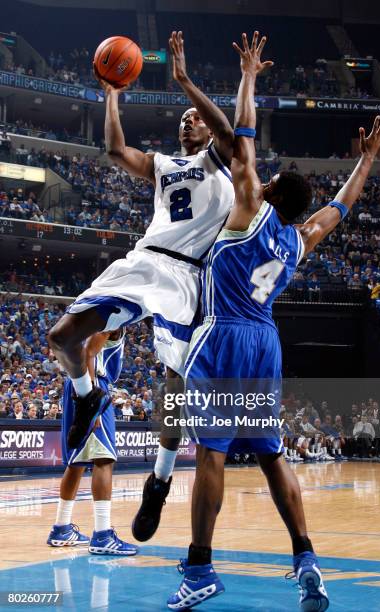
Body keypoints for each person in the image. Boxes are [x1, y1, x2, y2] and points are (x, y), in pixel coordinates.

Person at [167, 31, 380, 611]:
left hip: (223, 333)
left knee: (210, 455)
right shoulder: (298, 240)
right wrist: (364, 161)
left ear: (268, 190)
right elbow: (337, 210)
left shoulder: (248, 207)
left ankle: (200, 568)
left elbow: (238, 134)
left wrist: (247, 77)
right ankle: (306, 557)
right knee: (273, 455)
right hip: (267, 341)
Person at [48, 30, 234, 536]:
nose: (187, 121)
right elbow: (114, 149)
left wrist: (184, 80)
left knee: (174, 385)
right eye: (182, 118)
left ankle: (160, 479)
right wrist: (111, 95)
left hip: (189, 277)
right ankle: (88, 395)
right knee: (61, 337)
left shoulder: (218, 160)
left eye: (194, 119)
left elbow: (228, 128)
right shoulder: (163, 165)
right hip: (144, 261)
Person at [47, 329, 138, 555]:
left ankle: (61, 528)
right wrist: (91, 404)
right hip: (92, 385)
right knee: (104, 458)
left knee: (76, 462)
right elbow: (88, 351)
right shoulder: (112, 315)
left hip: (77, 383)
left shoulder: (93, 312)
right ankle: (103, 535)